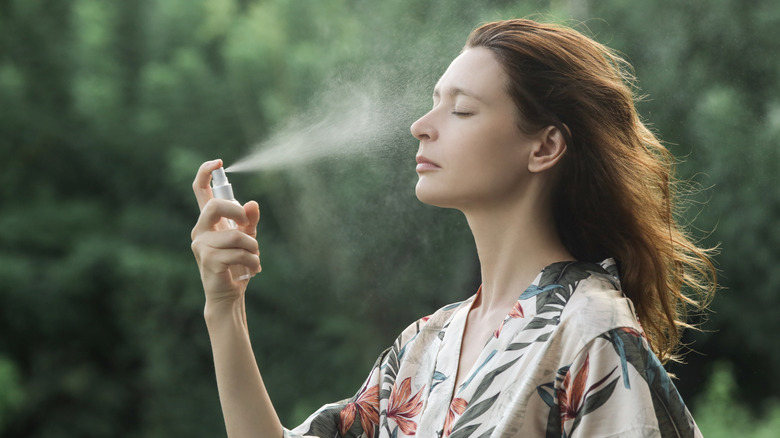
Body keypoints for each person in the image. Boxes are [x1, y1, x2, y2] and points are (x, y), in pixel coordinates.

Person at [190, 19, 717, 438]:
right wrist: (225, 308)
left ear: (545, 146)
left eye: (461, 110)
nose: (422, 125)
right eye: (434, 101)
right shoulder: (423, 346)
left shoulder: (592, 332)